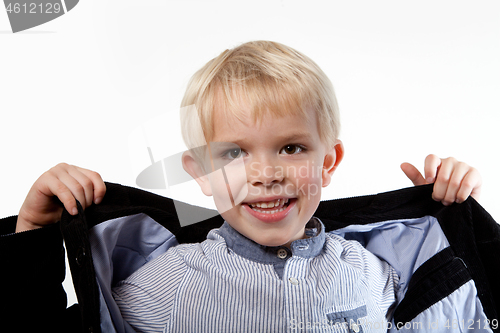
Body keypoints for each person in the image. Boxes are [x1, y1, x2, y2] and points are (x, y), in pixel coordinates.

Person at [14, 41, 484, 332]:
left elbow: (461, 315)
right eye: (233, 153)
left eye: (292, 148)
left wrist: (459, 232)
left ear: (329, 162)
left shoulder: (373, 271)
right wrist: (33, 230)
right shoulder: (169, 285)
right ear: (199, 173)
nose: (265, 173)